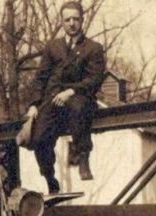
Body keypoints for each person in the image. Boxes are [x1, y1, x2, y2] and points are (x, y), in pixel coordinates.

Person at [25, 1, 106, 194]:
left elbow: (95, 79)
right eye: (67, 19)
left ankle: (83, 156)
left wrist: (70, 91)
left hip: (79, 95)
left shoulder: (93, 48)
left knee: (79, 110)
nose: (71, 23)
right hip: (53, 99)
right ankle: (49, 176)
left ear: (82, 20)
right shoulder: (53, 47)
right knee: (39, 137)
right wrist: (34, 104)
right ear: (62, 22)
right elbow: (41, 77)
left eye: (75, 19)